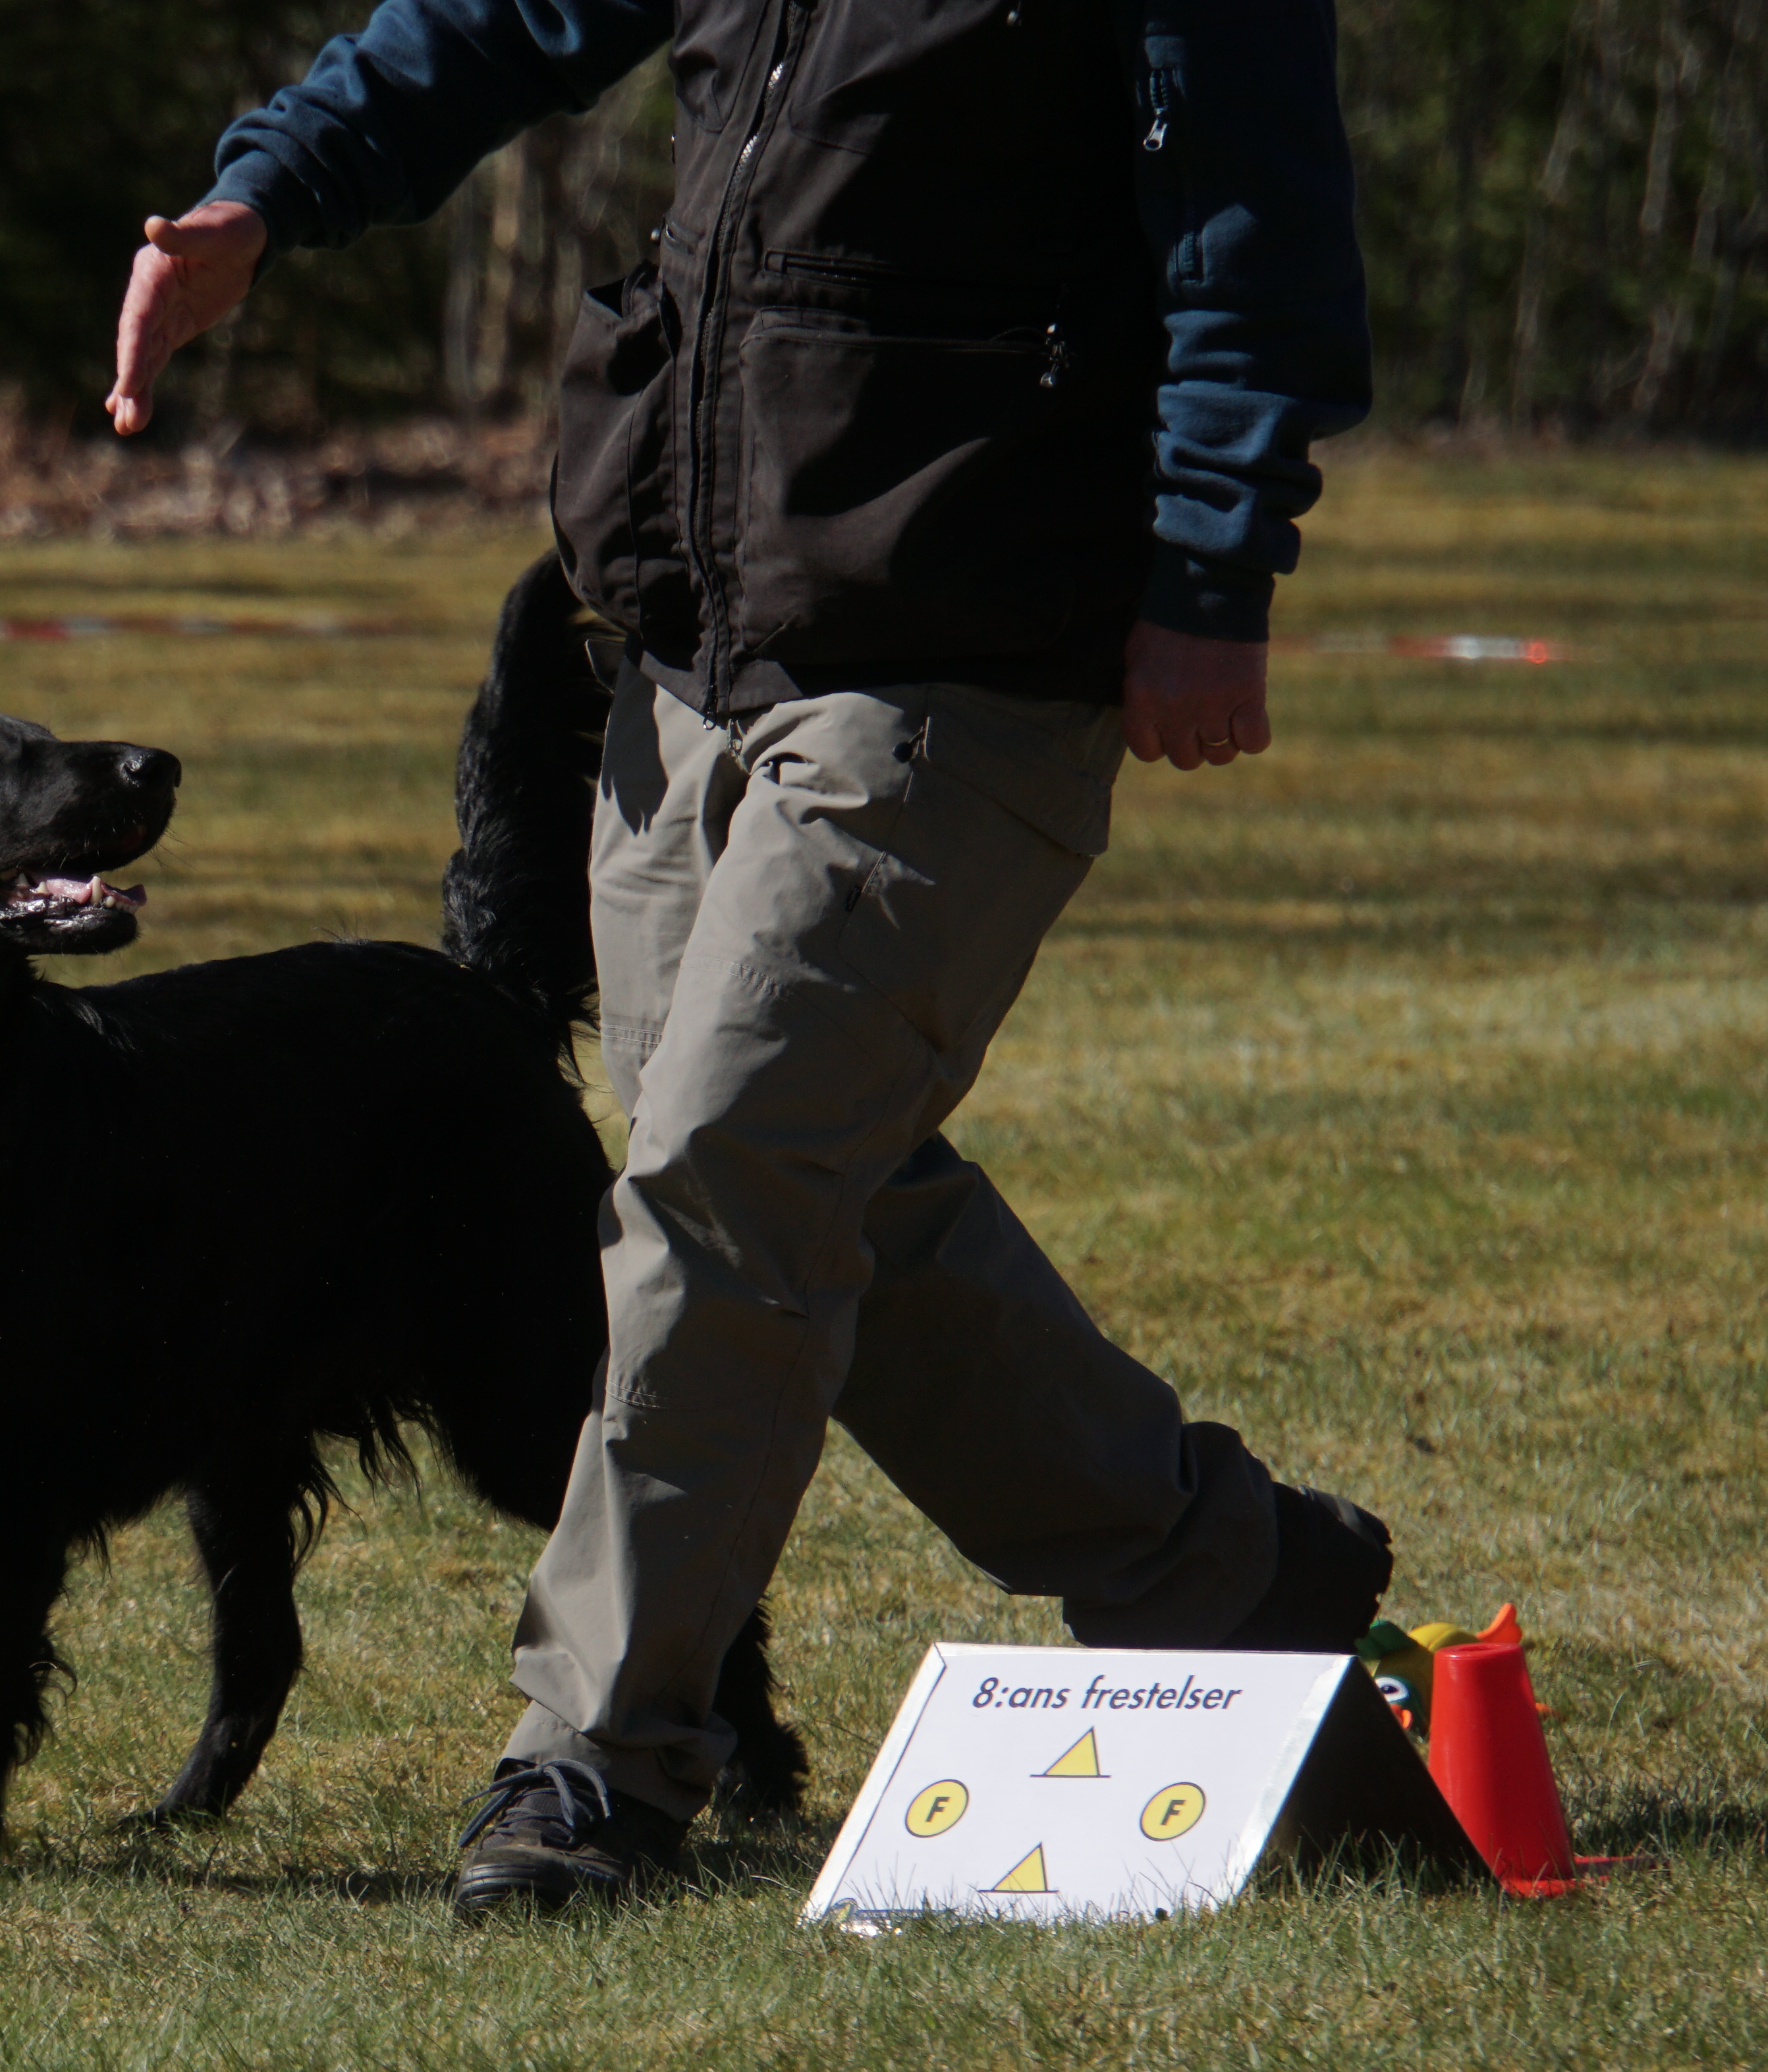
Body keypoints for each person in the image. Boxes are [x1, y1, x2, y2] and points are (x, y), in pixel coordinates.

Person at [107, 0, 1398, 1919]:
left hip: (962, 650)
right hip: (694, 652)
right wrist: (272, 189)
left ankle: (598, 1759)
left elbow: (1252, 229)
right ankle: (1230, 1571)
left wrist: (1215, 566)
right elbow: (503, 17)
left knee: (729, 1177)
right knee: (806, 1185)